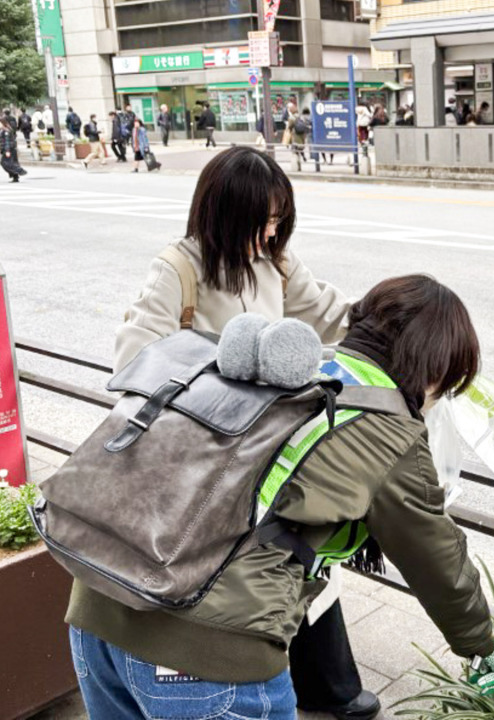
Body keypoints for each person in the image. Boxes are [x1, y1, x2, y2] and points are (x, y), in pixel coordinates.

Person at [108, 146, 380, 720]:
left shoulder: (275, 263)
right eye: (263, 219)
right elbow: (135, 363)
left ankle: (330, 685)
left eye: (281, 219)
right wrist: (227, 373)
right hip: (202, 457)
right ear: (224, 213)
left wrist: (393, 322)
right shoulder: (179, 269)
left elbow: (333, 313)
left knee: (297, 554)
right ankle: (310, 683)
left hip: (267, 447)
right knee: (257, 563)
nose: (273, 230)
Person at [0, 116, 25, 183]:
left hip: (8, 149)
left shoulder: (6, 131)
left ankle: (19, 170)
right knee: (11, 162)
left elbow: (7, 141)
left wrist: (7, 151)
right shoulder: (7, 129)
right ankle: (15, 177)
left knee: (4, 163)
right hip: (11, 149)